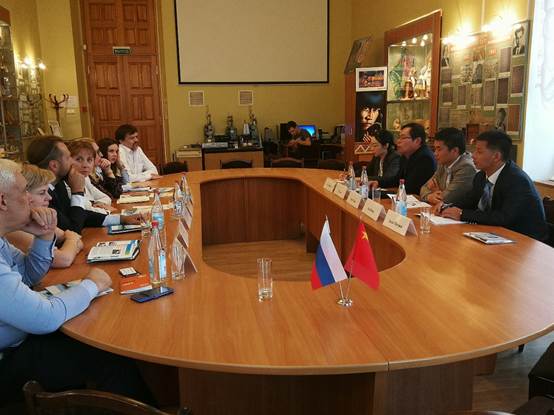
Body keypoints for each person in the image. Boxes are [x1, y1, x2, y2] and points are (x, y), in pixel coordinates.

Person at [0, 159, 154, 406]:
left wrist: (45, 236)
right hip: (8, 360)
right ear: (3, 201)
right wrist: (91, 284)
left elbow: (29, 275)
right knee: (108, 355)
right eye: (23, 192)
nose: (30, 199)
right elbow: (44, 318)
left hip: (22, 340)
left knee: (98, 334)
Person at [441, 130, 548, 241]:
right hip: (495, 233)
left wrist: (462, 214)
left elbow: (504, 217)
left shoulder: (517, 181)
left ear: (496, 156)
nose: (473, 155)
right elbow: (470, 201)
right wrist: (447, 206)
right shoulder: (481, 176)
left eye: (479, 152)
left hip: (525, 239)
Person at [26, 136, 140, 234]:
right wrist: (77, 191)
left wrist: (121, 219)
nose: (72, 162)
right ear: (54, 165)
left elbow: (82, 215)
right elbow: (73, 229)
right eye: (68, 158)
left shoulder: (58, 184)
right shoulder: (40, 196)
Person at [6, 164, 83, 268]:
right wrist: (72, 241)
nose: (49, 197)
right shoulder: (14, 230)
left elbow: (76, 239)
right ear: (24, 195)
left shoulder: (36, 219)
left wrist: (71, 242)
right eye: (42, 193)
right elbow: (63, 260)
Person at [369, 123, 436, 194]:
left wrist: (381, 192)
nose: (398, 141)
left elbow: (410, 189)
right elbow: (397, 179)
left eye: (403, 138)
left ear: (417, 141)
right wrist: (378, 183)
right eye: (399, 137)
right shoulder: (406, 155)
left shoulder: (425, 158)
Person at [420, 127, 476, 207]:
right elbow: (424, 188)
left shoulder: (466, 167)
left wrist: (436, 192)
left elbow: (446, 199)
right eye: (435, 149)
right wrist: (429, 196)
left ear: (455, 150)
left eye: (439, 149)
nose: (435, 153)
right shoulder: (443, 163)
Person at [68, 139, 115, 214]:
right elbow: (86, 211)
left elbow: (107, 198)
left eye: (89, 160)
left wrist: (96, 204)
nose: (85, 165)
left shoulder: (85, 178)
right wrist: (106, 210)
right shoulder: (67, 182)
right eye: (79, 159)